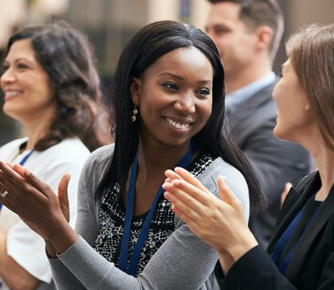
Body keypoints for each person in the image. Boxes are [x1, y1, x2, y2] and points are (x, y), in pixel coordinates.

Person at [0, 20, 264, 289]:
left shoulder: (216, 185)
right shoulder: (101, 166)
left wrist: (58, 230)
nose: (187, 105)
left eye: (202, 92)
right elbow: (77, 287)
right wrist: (50, 236)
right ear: (135, 90)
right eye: (171, 86)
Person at [163, 24, 334, 289]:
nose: (275, 89)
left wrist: (237, 241)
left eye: (284, 74)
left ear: (312, 92)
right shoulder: (304, 190)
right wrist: (225, 246)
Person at [0, 21, 108, 290]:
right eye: (7, 67)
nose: (5, 78)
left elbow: (24, 279)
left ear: (60, 76)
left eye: (21, 66)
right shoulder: (12, 150)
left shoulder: (69, 161)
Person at [205, 0, 313, 246]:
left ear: (262, 38)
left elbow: (228, 195)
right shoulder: (208, 104)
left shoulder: (284, 120)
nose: (208, 41)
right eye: (207, 30)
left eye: (221, 31)